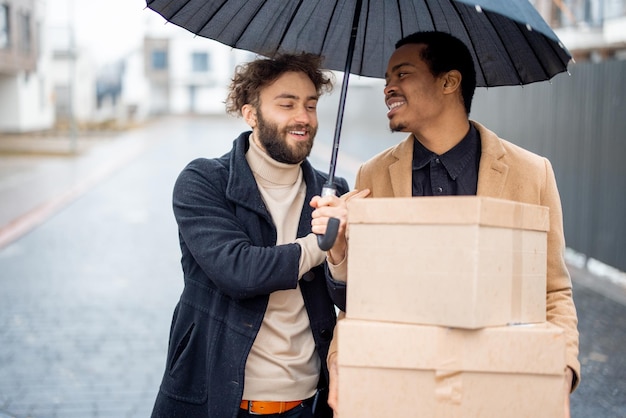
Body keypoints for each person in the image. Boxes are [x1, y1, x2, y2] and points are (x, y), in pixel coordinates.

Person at [310, 31, 581, 416]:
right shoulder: (373, 175)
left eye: (402, 74)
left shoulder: (531, 173)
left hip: (498, 387)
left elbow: (553, 292)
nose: (388, 87)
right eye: (387, 78)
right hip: (400, 386)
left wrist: (562, 370)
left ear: (449, 82)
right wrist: (341, 362)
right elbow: (362, 302)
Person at [151, 53, 349, 418]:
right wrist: (320, 245)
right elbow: (238, 271)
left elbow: (350, 298)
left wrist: (339, 253)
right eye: (286, 104)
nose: (303, 117)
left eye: (310, 105)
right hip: (220, 403)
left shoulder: (332, 193)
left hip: (309, 403)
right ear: (251, 114)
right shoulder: (204, 182)